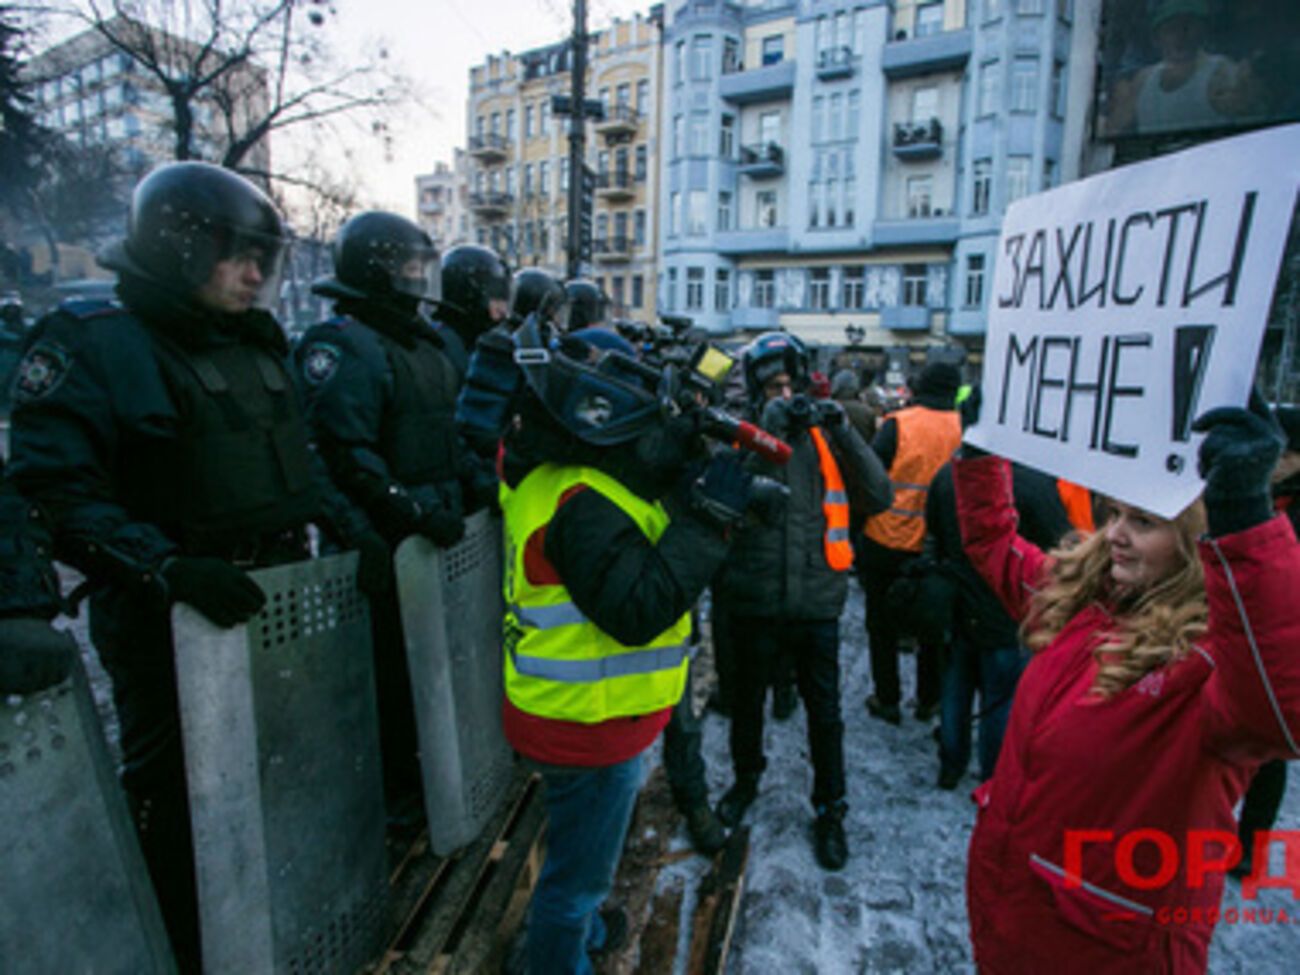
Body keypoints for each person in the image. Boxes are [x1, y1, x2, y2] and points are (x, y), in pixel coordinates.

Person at [5, 161, 384, 970]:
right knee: (180, 800)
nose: (256, 275)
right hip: (167, 621)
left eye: (265, 258)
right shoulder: (96, 342)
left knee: (275, 773)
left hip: (272, 604)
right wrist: (166, 569)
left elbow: (302, 461)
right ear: (180, 249)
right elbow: (54, 492)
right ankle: (186, 948)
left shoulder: (252, 344)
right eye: (237, 254)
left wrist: (355, 535)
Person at [954, 391, 1300, 973]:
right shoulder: (1083, 604)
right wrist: (980, 453)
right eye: (1114, 512)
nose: (1115, 533)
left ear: (1196, 541)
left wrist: (1244, 515)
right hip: (1014, 916)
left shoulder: (1212, 659)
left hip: (1111, 949)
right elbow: (993, 544)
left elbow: (1283, 710)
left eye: (1143, 521)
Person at [499, 315, 756, 972]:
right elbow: (638, 607)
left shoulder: (564, 474)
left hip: (583, 715)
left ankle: (575, 935)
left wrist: (680, 452)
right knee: (574, 882)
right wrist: (710, 520)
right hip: (586, 726)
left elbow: (637, 487)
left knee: (580, 857)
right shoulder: (581, 500)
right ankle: (561, 955)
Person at [294, 210, 468, 820]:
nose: (421, 280)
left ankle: (423, 776)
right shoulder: (345, 344)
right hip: (383, 548)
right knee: (384, 680)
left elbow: (451, 437)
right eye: (410, 269)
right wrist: (410, 513)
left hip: (427, 546)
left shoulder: (424, 344)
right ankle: (391, 792)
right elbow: (343, 455)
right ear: (378, 273)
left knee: (429, 668)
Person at [713, 331, 892, 871]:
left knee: (826, 716)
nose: (784, 394)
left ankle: (830, 809)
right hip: (754, 599)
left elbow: (879, 495)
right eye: (773, 386)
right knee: (747, 705)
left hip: (815, 601)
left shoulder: (824, 434)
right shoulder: (739, 433)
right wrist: (764, 434)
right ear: (756, 389)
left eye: (791, 384)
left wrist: (841, 430)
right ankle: (746, 781)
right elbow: (720, 496)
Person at [925, 461, 1072, 790]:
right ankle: (992, 778)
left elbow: (932, 528)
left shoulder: (949, 474)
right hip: (1009, 612)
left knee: (956, 688)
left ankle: (951, 764)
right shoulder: (1037, 482)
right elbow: (1059, 546)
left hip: (959, 604)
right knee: (1000, 701)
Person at [862, 361, 963, 725]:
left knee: (881, 626)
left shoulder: (899, 424)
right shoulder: (964, 429)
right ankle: (928, 699)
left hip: (886, 538)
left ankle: (887, 698)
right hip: (938, 546)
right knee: (932, 629)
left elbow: (869, 477)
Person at [1232, 404, 1300, 876]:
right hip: (1236, 631)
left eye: (1281, 455)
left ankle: (1250, 843)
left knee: (1269, 752)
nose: (1270, 462)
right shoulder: (1248, 493)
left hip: (1282, 643)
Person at [432, 243, 511, 375]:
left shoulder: (479, 343)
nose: (503, 310)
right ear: (468, 294)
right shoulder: (437, 350)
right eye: (496, 298)